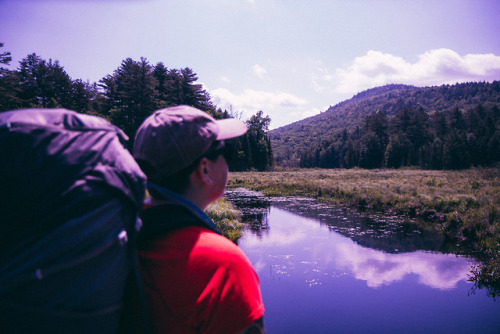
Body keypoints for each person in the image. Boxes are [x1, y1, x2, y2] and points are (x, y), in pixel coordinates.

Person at [132, 105, 265, 334]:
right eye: (226, 152)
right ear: (204, 169)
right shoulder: (223, 266)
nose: (228, 161)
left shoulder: (123, 235)